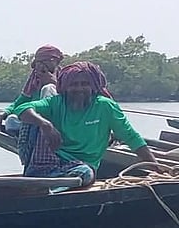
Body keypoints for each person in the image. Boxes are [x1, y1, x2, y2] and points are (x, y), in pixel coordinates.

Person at [11, 61, 156, 183]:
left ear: (93, 87)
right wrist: (46, 125)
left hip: (82, 166)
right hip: (49, 162)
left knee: (85, 174)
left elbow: (130, 136)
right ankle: (36, 176)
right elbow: (22, 108)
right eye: (74, 84)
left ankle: (50, 187)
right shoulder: (56, 102)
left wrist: (154, 167)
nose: (79, 89)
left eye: (84, 84)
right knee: (29, 119)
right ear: (66, 87)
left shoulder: (105, 106)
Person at [0, 45, 64, 134]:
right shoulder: (34, 80)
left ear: (55, 62)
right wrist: (1, 114)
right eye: (39, 63)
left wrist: (54, 83)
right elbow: (19, 104)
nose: (41, 66)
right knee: (11, 120)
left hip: (59, 122)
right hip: (35, 121)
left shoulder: (65, 77)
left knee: (48, 88)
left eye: (45, 62)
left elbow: (71, 102)